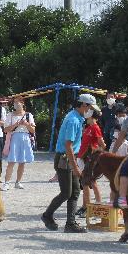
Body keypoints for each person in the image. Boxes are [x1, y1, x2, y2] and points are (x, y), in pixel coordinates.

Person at [41, 93, 98, 234]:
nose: (91, 111)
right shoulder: (74, 120)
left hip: (67, 158)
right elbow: (68, 145)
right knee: (67, 192)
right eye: (90, 107)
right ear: (83, 105)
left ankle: (70, 223)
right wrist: (76, 167)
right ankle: (47, 216)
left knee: (75, 192)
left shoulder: (75, 117)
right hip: (65, 159)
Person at [76, 108, 105, 216]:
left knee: (89, 181)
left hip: (88, 158)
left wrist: (94, 155)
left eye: (89, 110)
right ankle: (85, 206)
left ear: (92, 114)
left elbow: (102, 144)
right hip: (82, 157)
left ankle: (95, 206)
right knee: (85, 182)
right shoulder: (88, 127)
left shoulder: (95, 127)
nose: (85, 111)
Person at [2, 97, 36, 191]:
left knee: (22, 162)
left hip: (25, 138)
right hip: (14, 138)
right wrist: (16, 124)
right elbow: (5, 129)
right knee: (11, 162)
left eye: (18, 102)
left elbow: (33, 130)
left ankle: (18, 182)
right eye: (14, 103)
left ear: (22, 103)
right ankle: (6, 183)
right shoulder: (10, 115)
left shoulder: (29, 115)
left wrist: (26, 124)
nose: (16, 104)